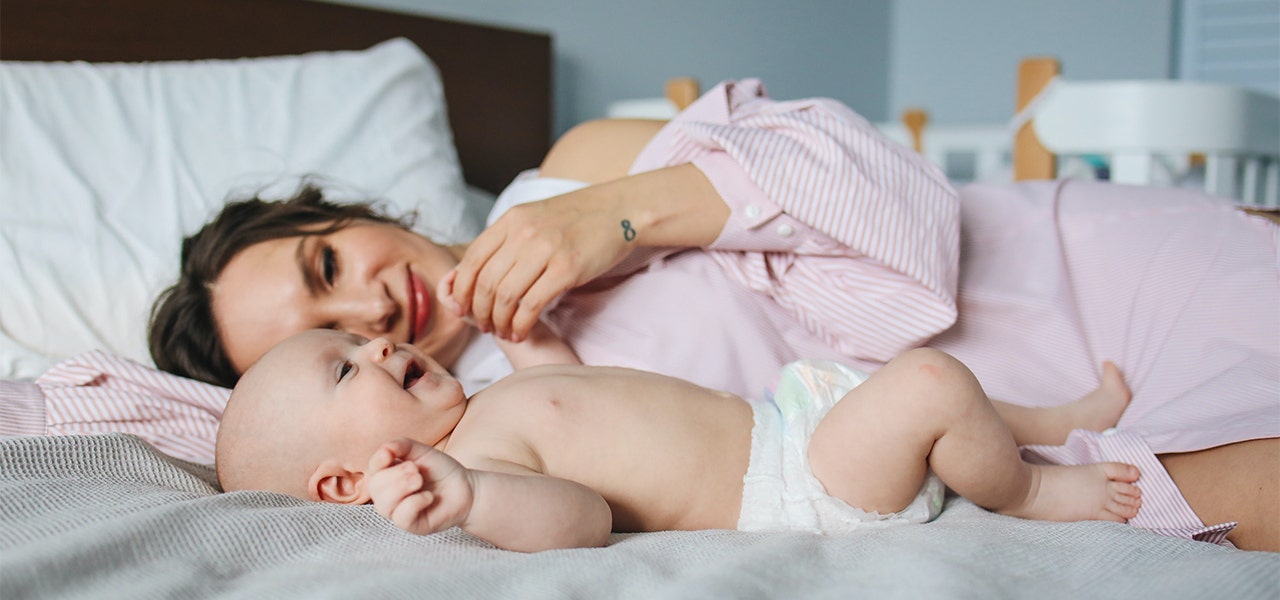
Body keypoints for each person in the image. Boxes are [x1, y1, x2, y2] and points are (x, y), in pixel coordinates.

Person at [151, 79, 1278, 550]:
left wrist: (620, 218)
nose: (369, 312)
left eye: (328, 263)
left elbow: (887, 197)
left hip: (1035, 279)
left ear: (355, 213)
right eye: (320, 346)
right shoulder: (490, 432)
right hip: (952, 438)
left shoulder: (569, 175)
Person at [216, 328, 1142, 553]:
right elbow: (581, 517)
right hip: (799, 487)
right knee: (930, 383)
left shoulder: (495, 395)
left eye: (353, 337)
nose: (375, 343)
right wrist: (468, 497)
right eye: (345, 370)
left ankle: (1055, 421)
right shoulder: (477, 463)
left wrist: (531, 330)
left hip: (789, 418)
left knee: (896, 374)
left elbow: (574, 388)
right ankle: (1027, 490)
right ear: (342, 486)